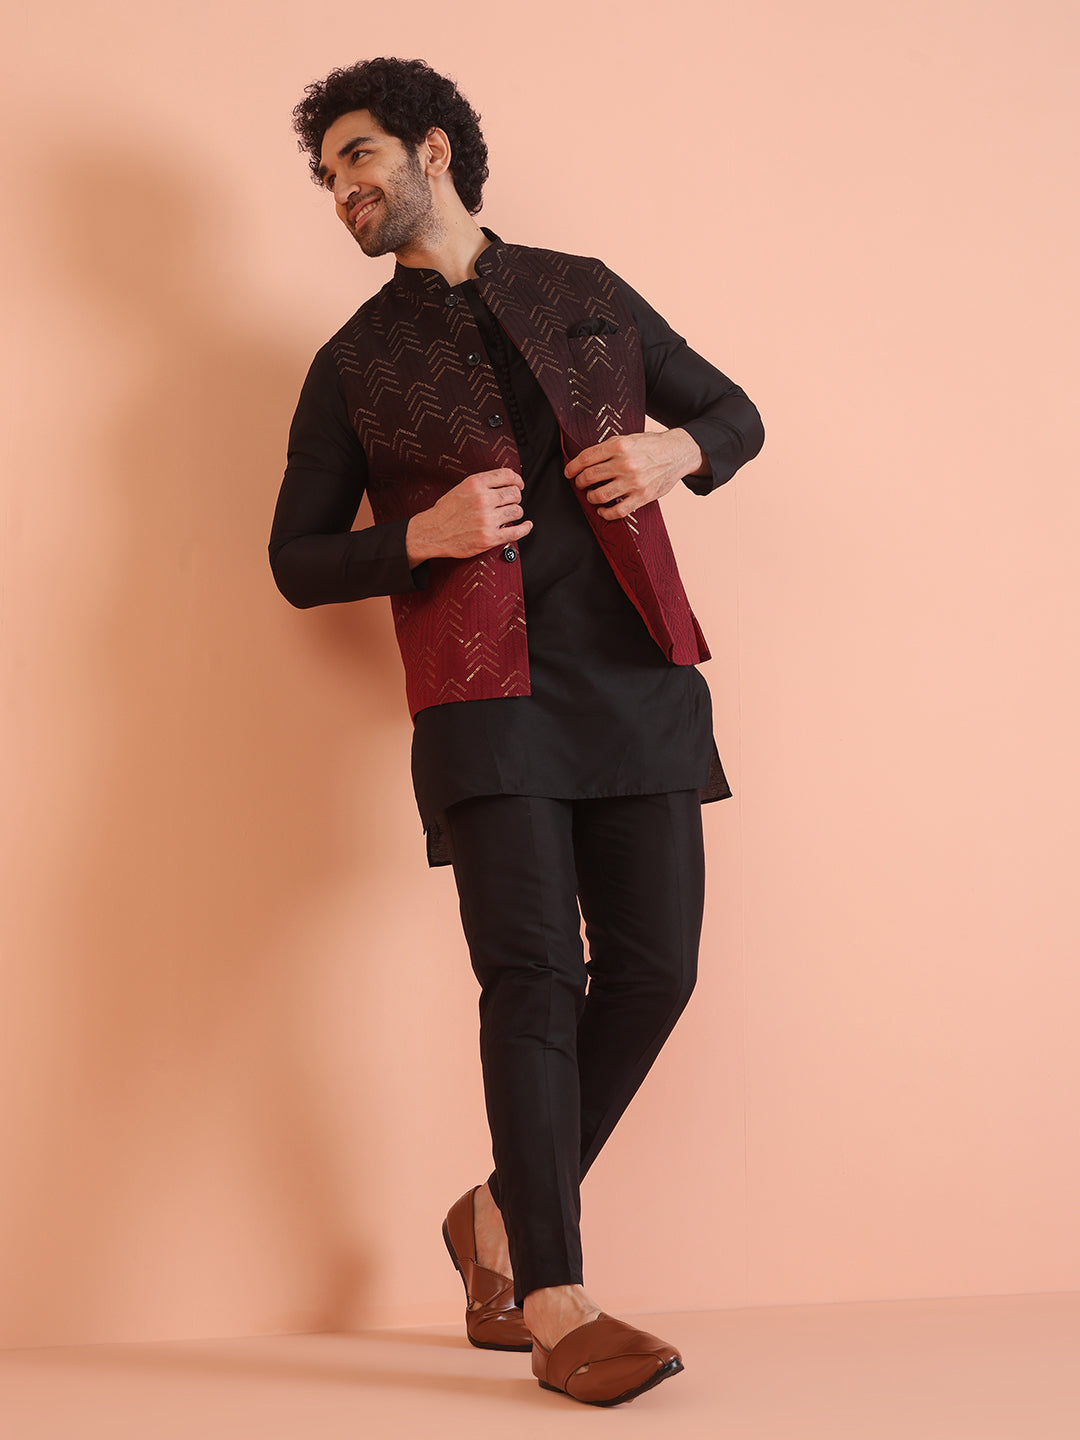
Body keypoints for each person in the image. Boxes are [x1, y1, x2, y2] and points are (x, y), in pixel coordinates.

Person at [269, 56, 764, 1408]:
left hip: (635, 676)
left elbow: (732, 413)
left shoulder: (584, 290)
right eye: (327, 175)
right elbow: (296, 560)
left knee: (656, 969)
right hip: (483, 700)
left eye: (358, 157)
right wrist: (418, 537)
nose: (342, 189)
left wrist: (674, 454)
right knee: (533, 981)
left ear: (432, 148)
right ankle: (555, 1299)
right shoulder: (353, 363)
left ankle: (495, 1214)